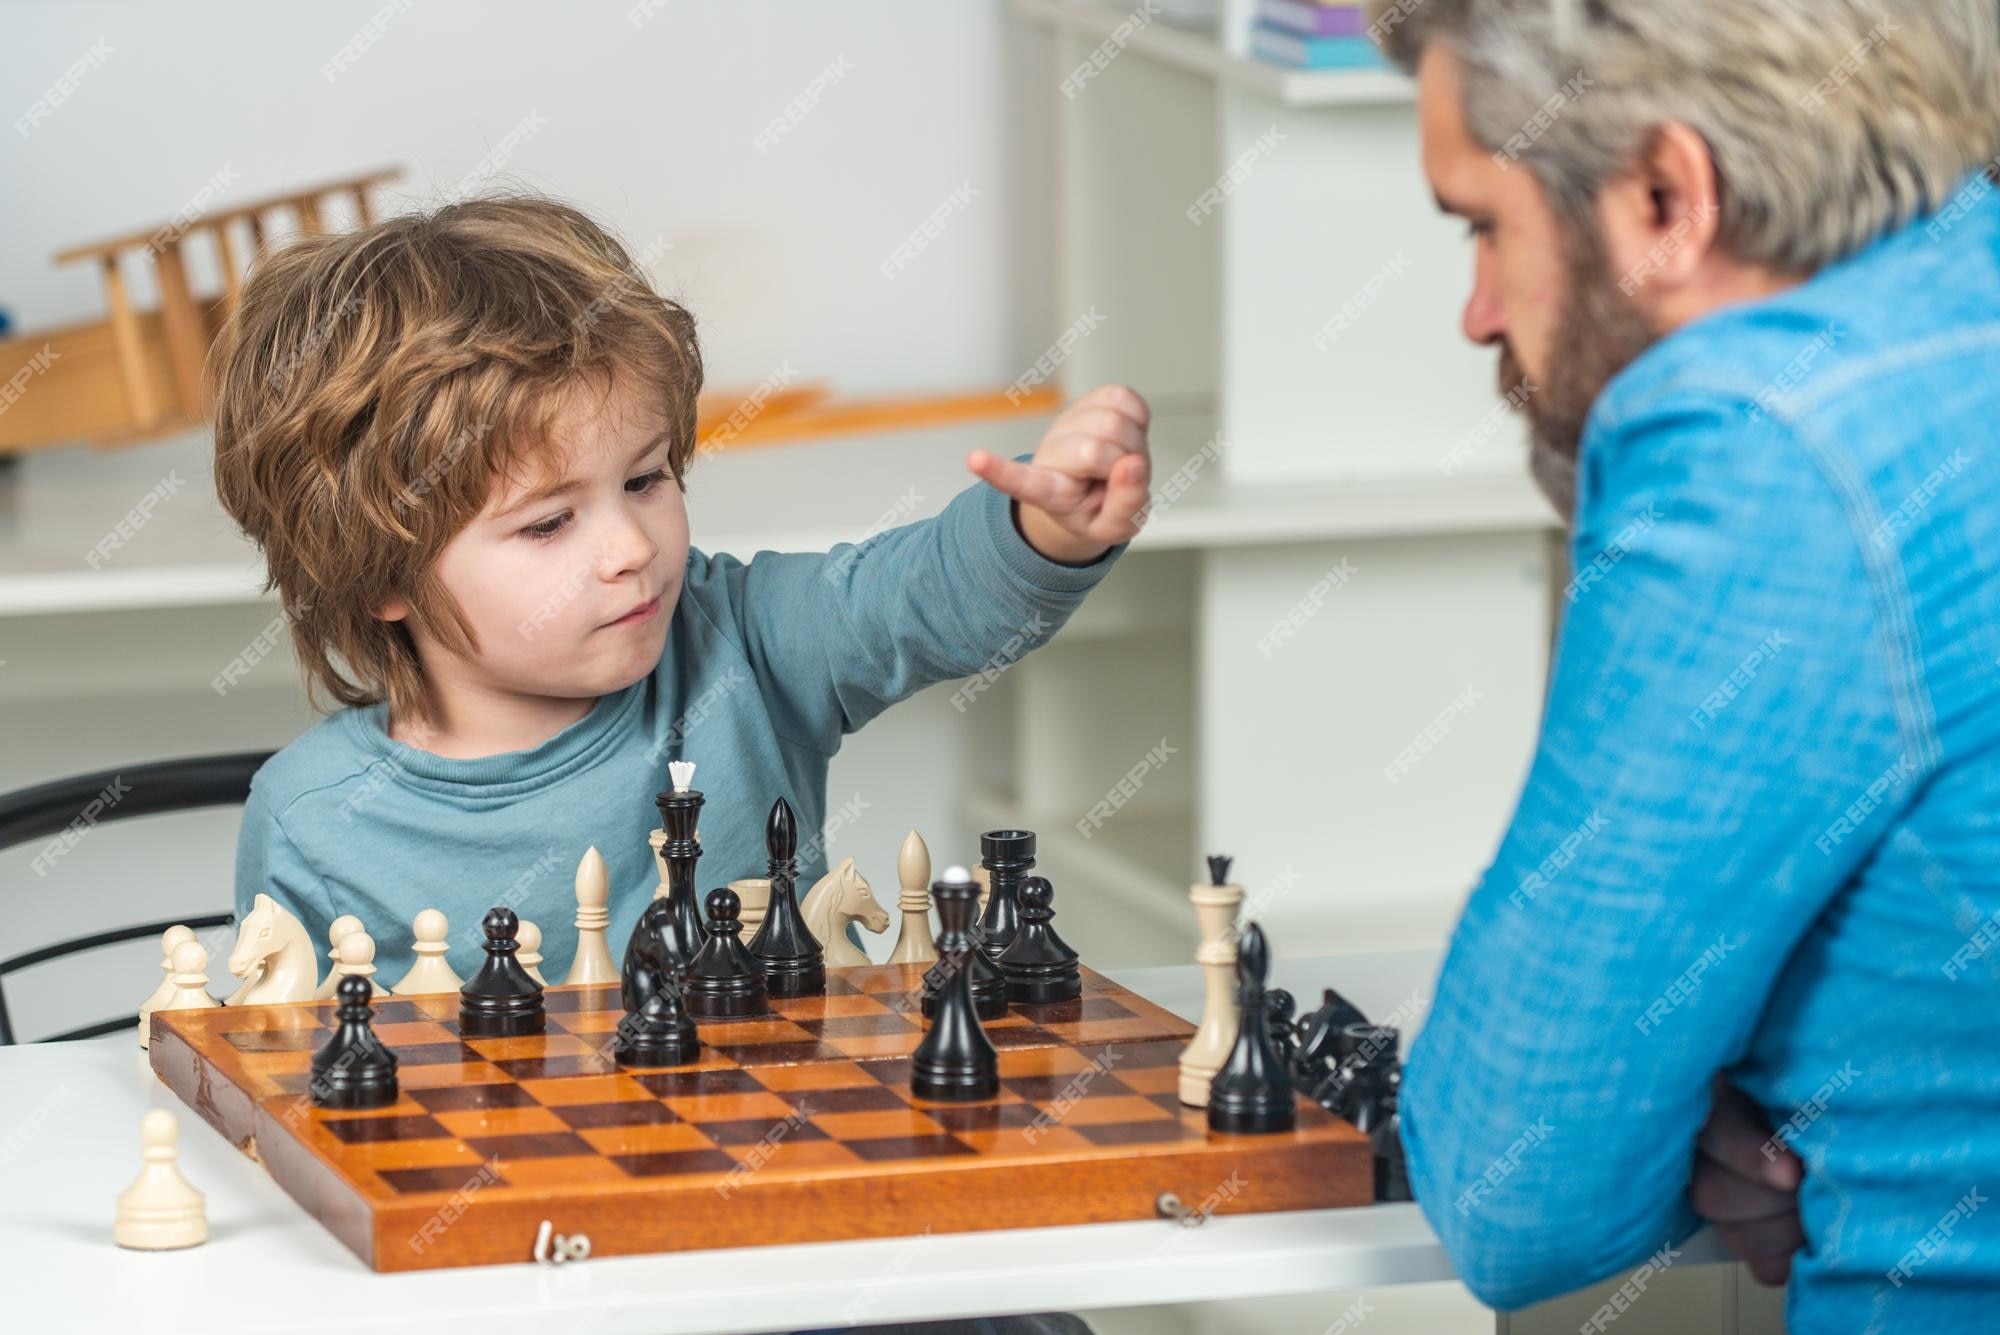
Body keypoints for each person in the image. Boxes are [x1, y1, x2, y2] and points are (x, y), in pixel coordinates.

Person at [1360, 0, 2000, 1327]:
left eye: (1484, 223)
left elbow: (1508, 1183)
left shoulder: (1765, 439)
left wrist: (1681, 1089)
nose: (1478, 312)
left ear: (1667, 193)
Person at [210, 193, 1151, 987]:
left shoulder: (740, 644)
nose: (629, 548)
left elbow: (916, 599)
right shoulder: (313, 824)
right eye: (547, 523)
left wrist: (1046, 532)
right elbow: (294, 1074)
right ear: (381, 578)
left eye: (647, 479)